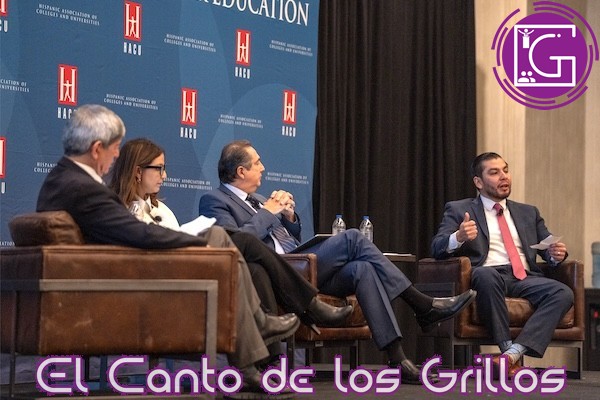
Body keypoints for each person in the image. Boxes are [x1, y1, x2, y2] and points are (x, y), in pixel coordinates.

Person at [35, 104, 300, 397]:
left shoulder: (62, 179)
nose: (117, 155)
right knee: (218, 238)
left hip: (115, 274)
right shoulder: (83, 187)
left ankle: (253, 351)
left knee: (219, 238)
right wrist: (193, 241)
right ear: (97, 149)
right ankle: (257, 332)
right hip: (123, 285)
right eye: (115, 148)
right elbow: (137, 233)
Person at [198, 140, 478, 384]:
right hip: (276, 273)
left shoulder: (259, 199)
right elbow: (238, 243)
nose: (263, 168)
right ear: (241, 171)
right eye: (257, 163)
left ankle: (398, 359)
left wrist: (289, 217)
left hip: (300, 264)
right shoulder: (214, 200)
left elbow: (290, 239)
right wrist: (269, 212)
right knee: (353, 237)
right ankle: (421, 304)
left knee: (363, 268)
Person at [107, 138, 353, 366]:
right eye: (159, 169)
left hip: (193, 273)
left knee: (255, 268)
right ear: (138, 172)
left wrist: (287, 217)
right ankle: (309, 305)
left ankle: (269, 361)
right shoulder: (121, 212)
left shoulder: (163, 210)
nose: (165, 175)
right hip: (164, 283)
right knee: (241, 239)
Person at [431, 152, 573, 377]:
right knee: (485, 275)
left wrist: (556, 254)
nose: (504, 177)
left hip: (524, 277)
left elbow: (547, 250)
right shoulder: (459, 209)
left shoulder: (528, 212)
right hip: (488, 275)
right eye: (494, 173)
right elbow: (437, 247)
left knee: (563, 293)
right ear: (478, 182)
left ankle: (509, 356)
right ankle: (508, 350)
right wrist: (458, 237)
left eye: (505, 170)